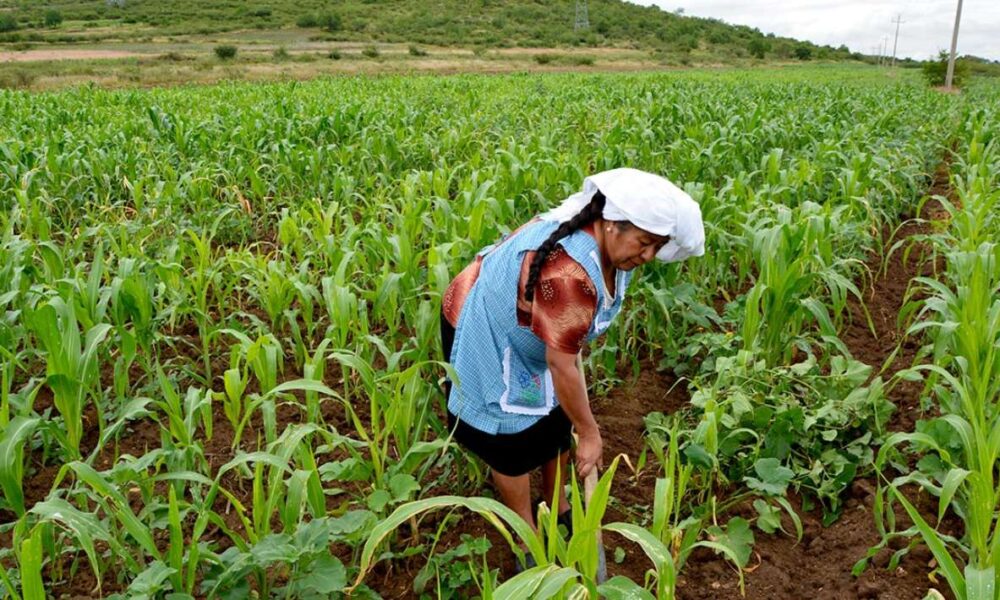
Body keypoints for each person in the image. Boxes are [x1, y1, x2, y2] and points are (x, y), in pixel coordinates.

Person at [440, 167, 705, 555]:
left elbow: (567, 353)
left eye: (657, 246)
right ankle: (526, 534)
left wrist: (579, 418)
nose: (648, 255)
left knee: (554, 419)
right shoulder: (569, 274)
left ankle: (558, 505)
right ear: (611, 224)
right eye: (645, 243)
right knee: (509, 443)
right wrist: (592, 432)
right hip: (485, 323)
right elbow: (562, 364)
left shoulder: (613, 251)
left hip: (536, 336)